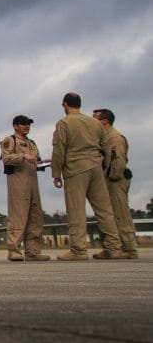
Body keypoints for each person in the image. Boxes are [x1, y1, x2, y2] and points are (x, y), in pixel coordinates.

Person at [51, 92, 122, 260]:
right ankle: (114, 247)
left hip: (76, 169)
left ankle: (78, 250)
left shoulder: (64, 123)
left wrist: (56, 173)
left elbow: (59, 150)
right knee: (105, 210)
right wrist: (102, 166)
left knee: (76, 210)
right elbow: (106, 147)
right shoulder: (94, 123)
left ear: (65, 105)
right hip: (96, 167)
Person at [0, 115, 50, 262]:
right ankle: (14, 250)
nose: (26, 126)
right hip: (18, 182)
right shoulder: (10, 140)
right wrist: (22, 156)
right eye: (23, 124)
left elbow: (35, 161)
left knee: (35, 216)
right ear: (15, 126)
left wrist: (42, 163)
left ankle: (33, 251)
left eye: (28, 124)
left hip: (33, 182)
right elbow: (6, 158)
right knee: (18, 216)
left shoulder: (31, 143)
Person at [93, 108, 137, 258]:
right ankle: (111, 247)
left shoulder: (114, 137)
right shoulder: (104, 137)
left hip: (115, 180)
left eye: (95, 119)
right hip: (108, 179)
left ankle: (129, 248)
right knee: (109, 214)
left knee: (120, 213)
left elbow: (118, 160)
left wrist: (113, 176)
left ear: (104, 121)